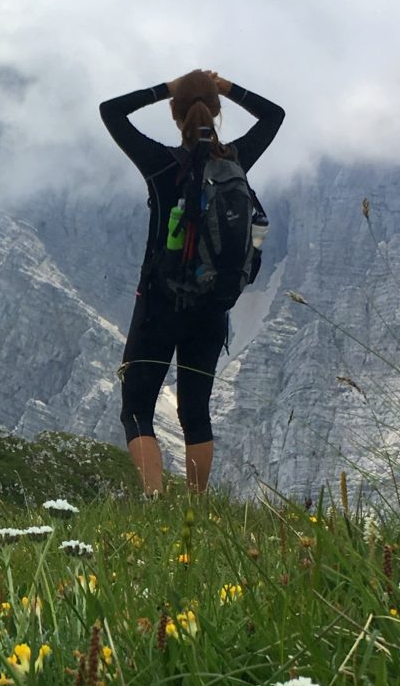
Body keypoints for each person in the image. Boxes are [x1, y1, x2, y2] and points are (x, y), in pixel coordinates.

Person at [100, 68, 284, 495]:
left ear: (174, 114)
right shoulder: (235, 161)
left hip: (158, 306)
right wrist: (226, 88)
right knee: (196, 412)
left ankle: (153, 498)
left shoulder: (161, 166)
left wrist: (169, 87)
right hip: (213, 308)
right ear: (217, 113)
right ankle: (196, 509)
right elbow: (274, 116)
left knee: (137, 409)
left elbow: (111, 112)